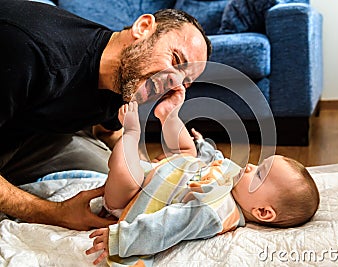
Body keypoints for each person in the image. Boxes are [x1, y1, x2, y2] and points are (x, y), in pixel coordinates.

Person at [0, 0, 211, 230]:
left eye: (185, 82)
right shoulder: (29, 52)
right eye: (176, 60)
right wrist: (54, 213)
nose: (175, 82)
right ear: (143, 27)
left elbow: (109, 130)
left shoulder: (126, 72)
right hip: (14, 115)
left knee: (115, 184)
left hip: (30, 128)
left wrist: (143, 169)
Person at [85, 91, 320, 265]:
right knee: (189, 151)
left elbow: (167, 226)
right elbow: (214, 162)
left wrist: (121, 239)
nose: (249, 166)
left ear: (262, 212)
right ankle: (169, 116)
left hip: (133, 194)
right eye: (258, 165)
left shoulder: (214, 210)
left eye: (259, 174)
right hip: (170, 170)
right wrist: (203, 146)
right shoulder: (233, 179)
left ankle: (129, 134)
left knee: (127, 174)